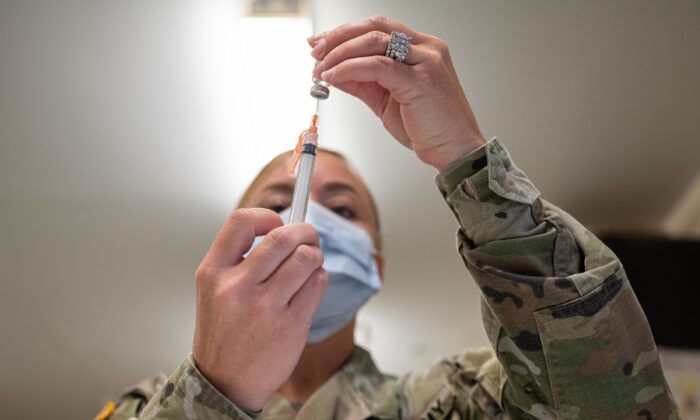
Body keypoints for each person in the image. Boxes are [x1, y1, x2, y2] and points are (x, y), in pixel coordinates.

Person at [98, 16, 677, 420]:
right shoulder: (144, 408)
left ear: (374, 260)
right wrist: (217, 392)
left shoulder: (461, 401)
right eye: (279, 202)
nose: (308, 221)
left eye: (345, 209)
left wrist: (467, 159)